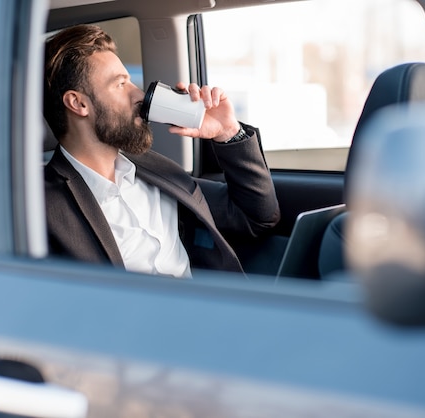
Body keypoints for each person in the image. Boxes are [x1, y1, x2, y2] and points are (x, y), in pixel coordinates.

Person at [43, 24, 280, 278]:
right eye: (121, 84)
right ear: (78, 103)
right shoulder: (43, 205)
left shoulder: (157, 171)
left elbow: (258, 217)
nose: (140, 95)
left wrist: (228, 131)